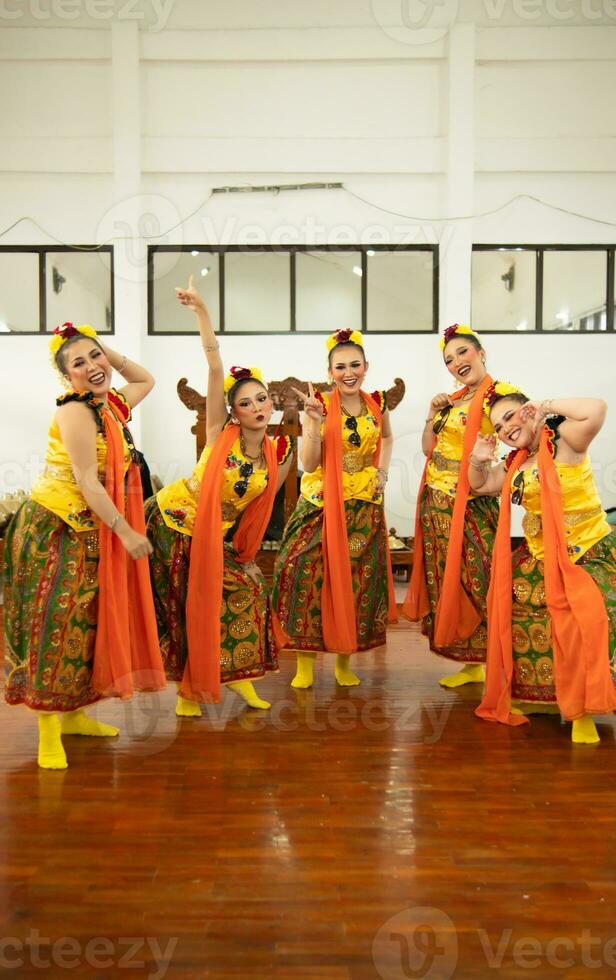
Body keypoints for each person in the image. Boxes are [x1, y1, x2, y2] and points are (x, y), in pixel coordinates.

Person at [3, 323, 165, 769]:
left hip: (91, 529)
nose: (93, 367)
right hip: (54, 527)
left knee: (87, 623)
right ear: (66, 377)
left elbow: (146, 380)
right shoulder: (74, 410)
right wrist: (127, 531)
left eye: (96, 357)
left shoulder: (111, 404)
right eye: (79, 363)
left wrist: (99, 352)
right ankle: (48, 729)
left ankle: (74, 715)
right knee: (56, 623)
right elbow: (87, 481)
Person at [145, 279, 294, 716]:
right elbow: (214, 368)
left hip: (215, 538)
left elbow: (263, 505)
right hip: (173, 523)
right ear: (234, 411)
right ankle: (189, 689)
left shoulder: (274, 455)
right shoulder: (218, 433)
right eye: (246, 402)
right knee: (184, 608)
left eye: (262, 399)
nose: (257, 406)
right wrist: (202, 312)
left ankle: (241, 677)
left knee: (247, 590)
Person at [470, 382, 616, 743]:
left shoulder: (564, 440)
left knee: (582, 611)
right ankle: (541, 698)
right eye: (499, 427)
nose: (506, 429)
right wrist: (477, 456)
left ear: (528, 410)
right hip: (539, 556)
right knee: (508, 601)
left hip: (585, 553)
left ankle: (583, 710)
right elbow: (481, 485)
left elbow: (596, 408)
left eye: (510, 417)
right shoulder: (516, 462)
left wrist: (546, 404)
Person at [271, 327, 397, 690]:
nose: (348, 372)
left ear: (366, 366)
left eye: (355, 364)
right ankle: (305, 664)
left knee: (357, 583)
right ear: (330, 372)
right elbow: (309, 465)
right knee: (302, 574)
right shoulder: (320, 405)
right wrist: (313, 422)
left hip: (364, 505)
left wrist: (383, 471)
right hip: (322, 503)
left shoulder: (378, 402)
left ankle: (345, 661)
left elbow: (387, 437)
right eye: (340, 367)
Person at [403, 324, 499, 687]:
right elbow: (429, 448)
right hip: (436, 501)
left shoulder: (499, 396)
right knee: (450, 582)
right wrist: (431, 411)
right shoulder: (453, 399)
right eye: (449, 359)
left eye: (463, 352)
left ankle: (500, 662)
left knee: (482, 581)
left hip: (471, 503)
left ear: (481, 352)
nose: (457, 362)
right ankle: (473, 664)